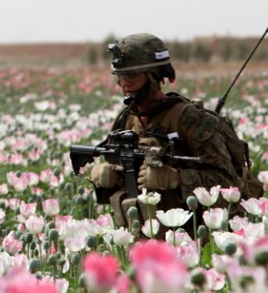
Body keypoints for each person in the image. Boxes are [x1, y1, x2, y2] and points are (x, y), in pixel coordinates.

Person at [87, 33, 250, 231]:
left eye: (132, 76)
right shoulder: (127, 120)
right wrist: (104, 175)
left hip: (192, 238)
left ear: (155, 76)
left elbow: (229, 183)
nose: (125, 84)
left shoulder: (190, 119)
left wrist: (176, 178)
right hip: (141, 237)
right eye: (120, 77)